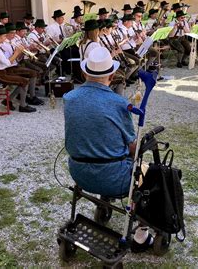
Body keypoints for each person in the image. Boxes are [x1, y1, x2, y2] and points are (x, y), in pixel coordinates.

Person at [64, 46, 154, 252]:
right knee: (151, 174)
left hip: (78, 172)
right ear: (112, 75)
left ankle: (105, 202)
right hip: (113, 178)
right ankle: (142, 236)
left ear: (85, 72)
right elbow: (133, 146)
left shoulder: (69, 99)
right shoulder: (118, 103)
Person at [0, 25, 38, 112]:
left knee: (24, 80)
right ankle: (22, 106)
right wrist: (16, 52)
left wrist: (19, 53)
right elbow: (7, 62)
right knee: (24, 81)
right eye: (4, 35)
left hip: (3, 71)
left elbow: (8, 60)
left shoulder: (0, 45)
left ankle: (8, 100)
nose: (5, 37)